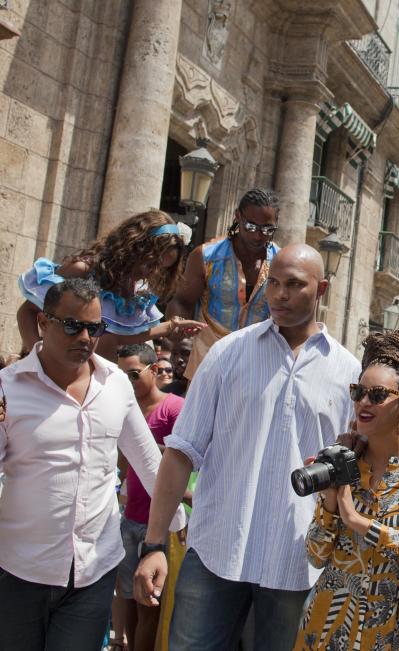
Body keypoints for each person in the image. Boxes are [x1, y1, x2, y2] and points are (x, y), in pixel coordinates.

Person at [133, 244, 359, 651]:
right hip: (216, 552)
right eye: (273, 283)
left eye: (294, 285)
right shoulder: (228, 353)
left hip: (297, 562)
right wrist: (153, 545)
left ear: (321, 289)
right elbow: (181, 451)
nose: (280, 295)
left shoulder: (347, 373)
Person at [0, 278, 186, 650]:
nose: (85, 337)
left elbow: (148, 460)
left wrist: (173, 527)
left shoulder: (115, 384)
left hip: (93, 573)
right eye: (73, 325)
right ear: (43, 323)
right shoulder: (9, 388)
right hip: (19, 572)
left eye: (95, 328)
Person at [296, 329, 399, 650]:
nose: (363, 403)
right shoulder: (345, 460)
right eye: (358, 392)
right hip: (329, 628)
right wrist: (331, 499)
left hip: (397, 634)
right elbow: (315, 556)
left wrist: (358, 521)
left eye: (377, 395)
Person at [16, 210, 205, 360]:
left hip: (94, 384)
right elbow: (27, 311)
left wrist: (172, 326)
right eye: (151, 263)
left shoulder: (133, 291)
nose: (153, 272)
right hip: (56, 375)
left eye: (162, 269)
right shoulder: (83, 269)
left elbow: (117, 336)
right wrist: (38, 357)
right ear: (135, 246)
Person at [166, 188, 281, 380]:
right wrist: (178, 328)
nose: (258, 236)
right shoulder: (206, 256)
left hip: (256, 364)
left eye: (267, 229)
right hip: (208, 360)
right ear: (237, 217)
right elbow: (182, 301)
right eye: (251, 227)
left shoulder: (281, 263)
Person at [116, 343, 187, 651]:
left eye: (133, 374)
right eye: (120, 376)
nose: (127, 383)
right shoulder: (120, 406)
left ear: (155, 371)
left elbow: (185, 460)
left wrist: (141, 446)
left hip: (158, 526)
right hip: (128, 519)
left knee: (150, 606)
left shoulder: (174, 408)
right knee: (129, 602)